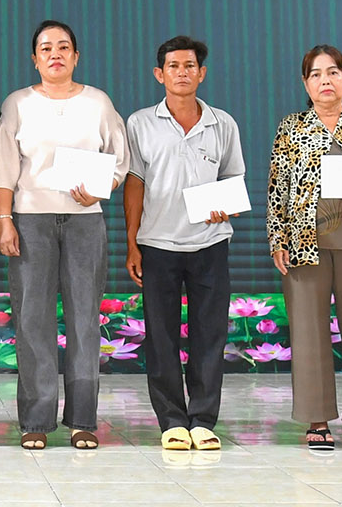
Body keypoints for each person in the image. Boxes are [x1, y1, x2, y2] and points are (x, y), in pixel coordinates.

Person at [0, 20, 128, 450]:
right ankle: (36, 418)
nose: (55, 54)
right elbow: (3, 166)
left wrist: (103, 187)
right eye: (46, 48)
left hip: (86, 221)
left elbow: (119, 160)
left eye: (64, 47)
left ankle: (83, 419)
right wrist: (4, 219)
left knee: (85, 319)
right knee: (33, 319)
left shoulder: (98, 102)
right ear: (34, 58)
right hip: (31, 220)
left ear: (76, 56)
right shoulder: (17, 103)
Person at [266, 45, 342, 451]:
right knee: (308, 333)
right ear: (306, 83)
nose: (326, 80)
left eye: (333, 72)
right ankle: (316, 419)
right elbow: (277, 188)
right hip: (304, 244)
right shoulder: (291, 128)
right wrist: (277, 239)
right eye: (316, 74)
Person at [123, 35, 244, 451]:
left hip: (211, 243)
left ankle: (203, 419)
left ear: (202, 73)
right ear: (159, 74)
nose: (182, 73)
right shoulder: (139, 123)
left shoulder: (222, 124)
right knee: (162, 337)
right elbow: (134, 184)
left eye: (189, 65)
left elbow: (233, 179)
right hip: (157, 244)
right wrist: (132, 242)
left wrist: (227, 207)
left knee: (210, 335)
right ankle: (172, 420)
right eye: (173, 66)